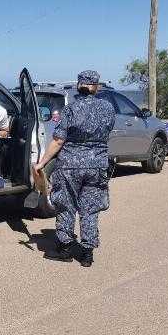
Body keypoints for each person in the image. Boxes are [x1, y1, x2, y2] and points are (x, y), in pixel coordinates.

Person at [33, 70, 115, 267]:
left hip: (70, 165)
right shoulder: (108, 108)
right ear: (96, 86)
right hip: (97, 165)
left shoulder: (71, 109)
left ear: (79, 85)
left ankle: (65, 248)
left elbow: (59, 140)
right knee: (90, 208)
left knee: (66, 205)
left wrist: (42, 163)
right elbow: (108, 132)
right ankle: (87, 253)